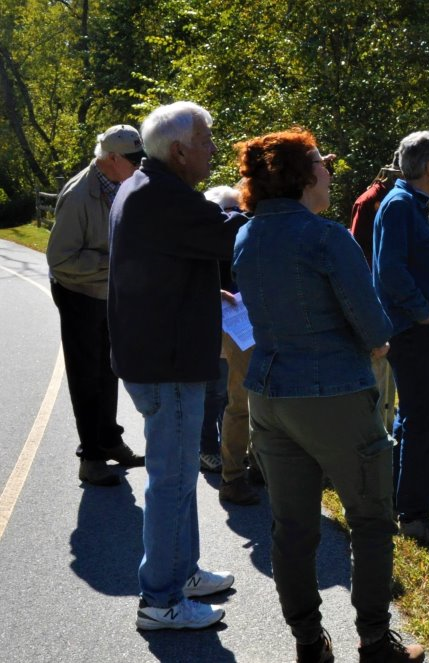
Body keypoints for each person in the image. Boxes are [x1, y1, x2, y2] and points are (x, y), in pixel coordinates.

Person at [232, 128, 424, 663]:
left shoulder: (247, 235)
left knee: (291, 527)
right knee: (369, 518)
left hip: (269, 399)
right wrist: (380, 337)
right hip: (333, 397)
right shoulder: (326, 237)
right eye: (322, 164)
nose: (330, 172)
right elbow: (374, 326)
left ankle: (309, 643)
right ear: (300, 176)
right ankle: (375, 643)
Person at [108, 102, 244, 630]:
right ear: (180, 149)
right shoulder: (164, 195)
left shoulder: (148, 188)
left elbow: (157, 265)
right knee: (171, 480)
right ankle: (161, 601)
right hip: (167, 362)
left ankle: (180, 573)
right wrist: (276, 194)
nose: (213, 148)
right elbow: (231, 231)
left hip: (157, 354)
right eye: (207, 140)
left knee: (180, 478)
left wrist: (207, 289)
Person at [46, 124, 146, 486]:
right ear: (112, 158)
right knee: (86, 376)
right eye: (133, 159)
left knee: (109, 370)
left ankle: (110, 440)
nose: (140, 165)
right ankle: (91, 458)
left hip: (108, 293)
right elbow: (58, 259)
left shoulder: (124, 182)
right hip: (78, 294)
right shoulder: (79, 195)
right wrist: (114, 262)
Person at [372, 131, 429, 545]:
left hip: (420, 332)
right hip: (412, 333)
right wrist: (422, 312)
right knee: (423, 422)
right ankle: (416, 518)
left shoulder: (413, 204)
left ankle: (405, 502)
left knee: (413, 419)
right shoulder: (402, 205)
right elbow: (389, 270)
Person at [203, 184, 260, 506]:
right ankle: (234, 474)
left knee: (244, 401)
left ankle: (253, 466)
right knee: (237, 401)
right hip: (237, 324)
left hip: (250, 321)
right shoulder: (229, 228)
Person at [351, 160, 402, 432]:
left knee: (390, 366)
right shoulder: (370, 200)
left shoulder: (401, 199)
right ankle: (375, 425)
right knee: (377, 363)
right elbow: (358, 249)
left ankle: (389, 420)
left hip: (391, 292)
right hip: (372, 291)